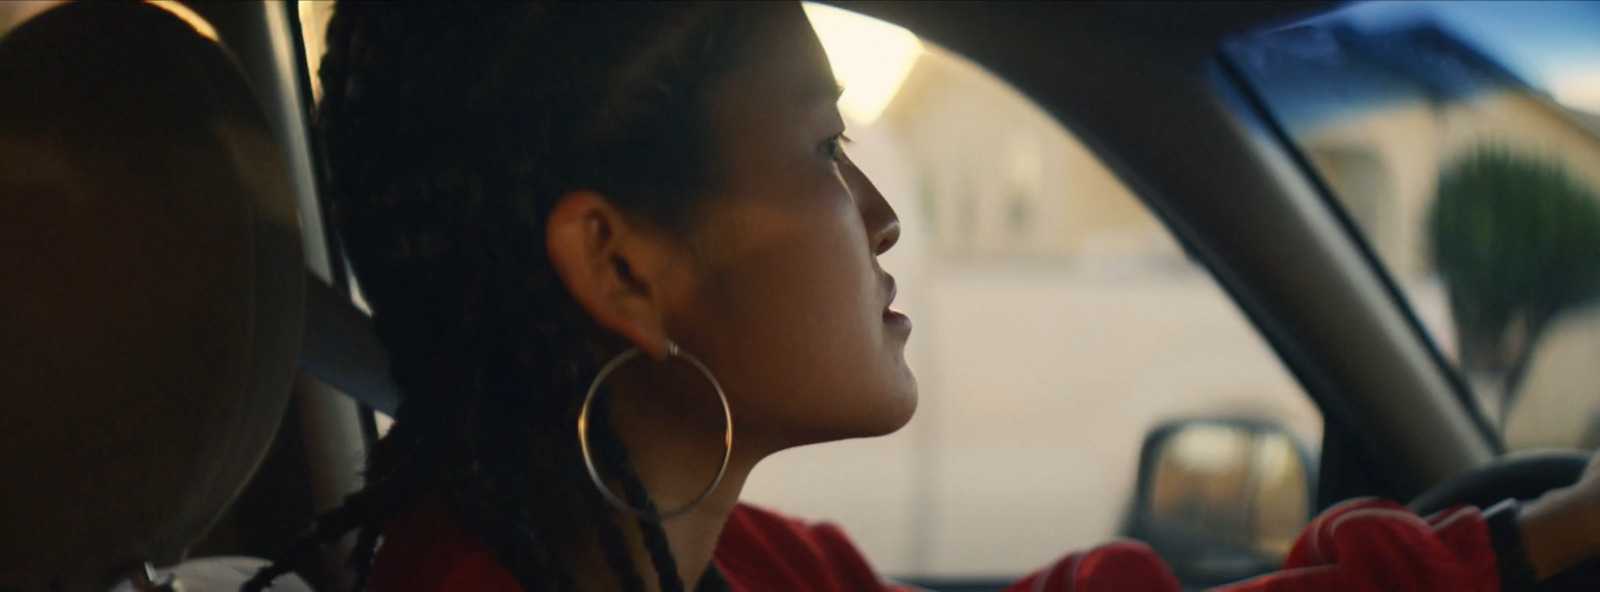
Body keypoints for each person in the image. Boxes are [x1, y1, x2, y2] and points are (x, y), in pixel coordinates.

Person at [247, 3, 1600, 591]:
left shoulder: (733, 563)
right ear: (618, 265)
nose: (883, 215)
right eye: (819, 149)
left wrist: (1524, 542)